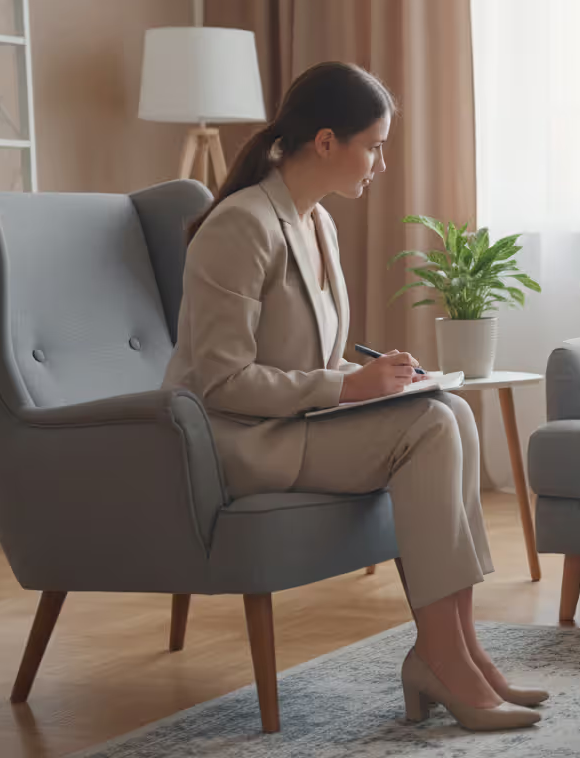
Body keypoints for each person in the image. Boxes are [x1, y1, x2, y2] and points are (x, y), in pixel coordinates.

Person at [162, 62, 543, 731]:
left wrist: (381, 377)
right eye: (374, 146)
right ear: (328, 141)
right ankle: (442, 659)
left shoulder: (315, 223)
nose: (382, 163)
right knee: (429, 428)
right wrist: (347, 386)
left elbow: (307, 359)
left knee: (447, 409)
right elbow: (222, 382)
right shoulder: (240, 226)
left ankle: (461, 650)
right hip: (241, 440)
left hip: (294, 424)